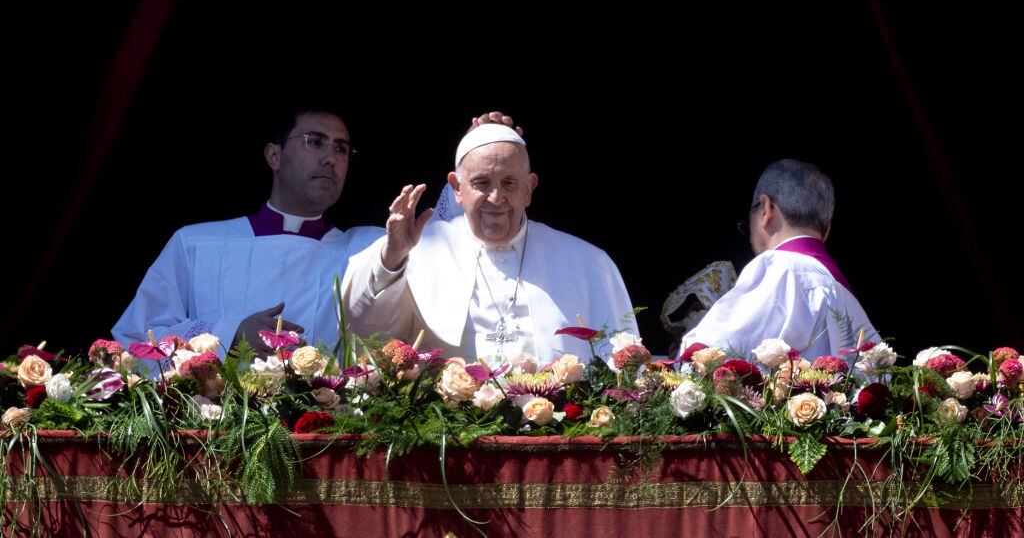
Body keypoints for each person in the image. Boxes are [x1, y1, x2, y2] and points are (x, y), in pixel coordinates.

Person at [112, 108, 516, 354]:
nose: (331, 157)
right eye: (314, 141)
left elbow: (441, 241)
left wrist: (481, 156)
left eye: (341, 148)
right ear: (274, 155)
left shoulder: (366, 249)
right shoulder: (197, 243)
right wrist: (228, 336)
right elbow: (136, 340)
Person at [341, 123, 639, 365]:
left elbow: (622, 369)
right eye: (482, 183)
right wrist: (393, 256)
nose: (496, 199)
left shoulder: (587, 262)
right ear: (457, 188)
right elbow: (369, 331)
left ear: (529, 189)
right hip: (447, 431)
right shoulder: (416, 249)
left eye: (509, 183)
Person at [681, 159, 879, 358]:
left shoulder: (778, 268)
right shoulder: (846, 296)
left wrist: (697, 328)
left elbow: (714, 358)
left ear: (766, 210)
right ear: (826, 231)